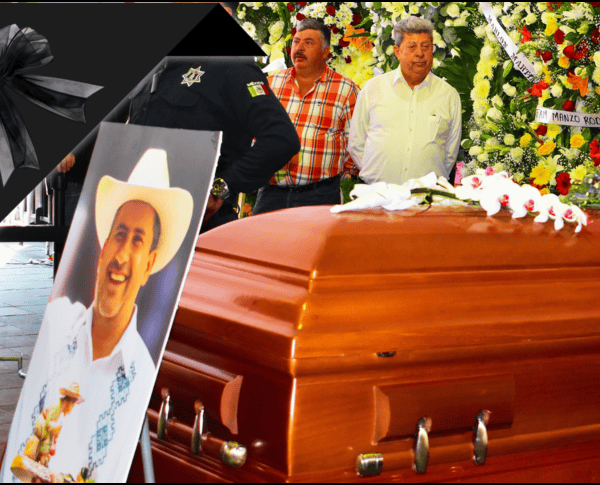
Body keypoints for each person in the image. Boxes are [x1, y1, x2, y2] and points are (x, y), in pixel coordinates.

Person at [3, 149, 194, 483]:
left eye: (137, 241)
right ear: (103, 247)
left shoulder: (139, 370)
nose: (121, 255)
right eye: (119, 235)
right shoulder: (59, 321)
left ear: (149, 265)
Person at [57, 55, 300, 231]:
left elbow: (281, 138)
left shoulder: (231, 66)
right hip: (140, 221)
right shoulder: (154, 70)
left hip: (199, 229)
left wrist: (220, 189)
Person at [252, 18, 360, 215]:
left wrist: (341, 174)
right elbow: (251, 131)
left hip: (320, 195)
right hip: (271, 194)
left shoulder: (346, 90)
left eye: (308, 43)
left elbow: (356, 142)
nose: (299, 48)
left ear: (326, 52)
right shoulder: (270, 84)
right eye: (296, 41)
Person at [348, 16, 461, 185]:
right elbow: (356, 142)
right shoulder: (374, 88)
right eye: (412, 47)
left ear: (432, 50)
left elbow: (450, 153)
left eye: (425, 46)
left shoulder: (448, 95)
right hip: (377, 193)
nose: (420, 53)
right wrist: (375, 176)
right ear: (397, 51)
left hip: (427, 194)